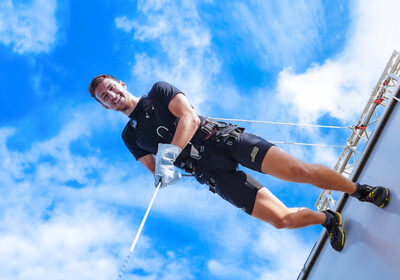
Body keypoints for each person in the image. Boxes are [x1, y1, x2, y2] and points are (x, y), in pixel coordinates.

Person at [88, 74, 390, 252]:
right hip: (209, 172)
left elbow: (189, 118)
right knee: (280, 220)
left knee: (299, 172)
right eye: (104, 97)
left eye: (111, 88)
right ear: (103, 106)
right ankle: (329, 220)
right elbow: (155, 170)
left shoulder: (158, 92)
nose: (111, 95)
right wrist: (166, 176)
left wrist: (168, 155)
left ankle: (360, 191)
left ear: (121, 84)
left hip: (224, 141)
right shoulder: (130, 136)